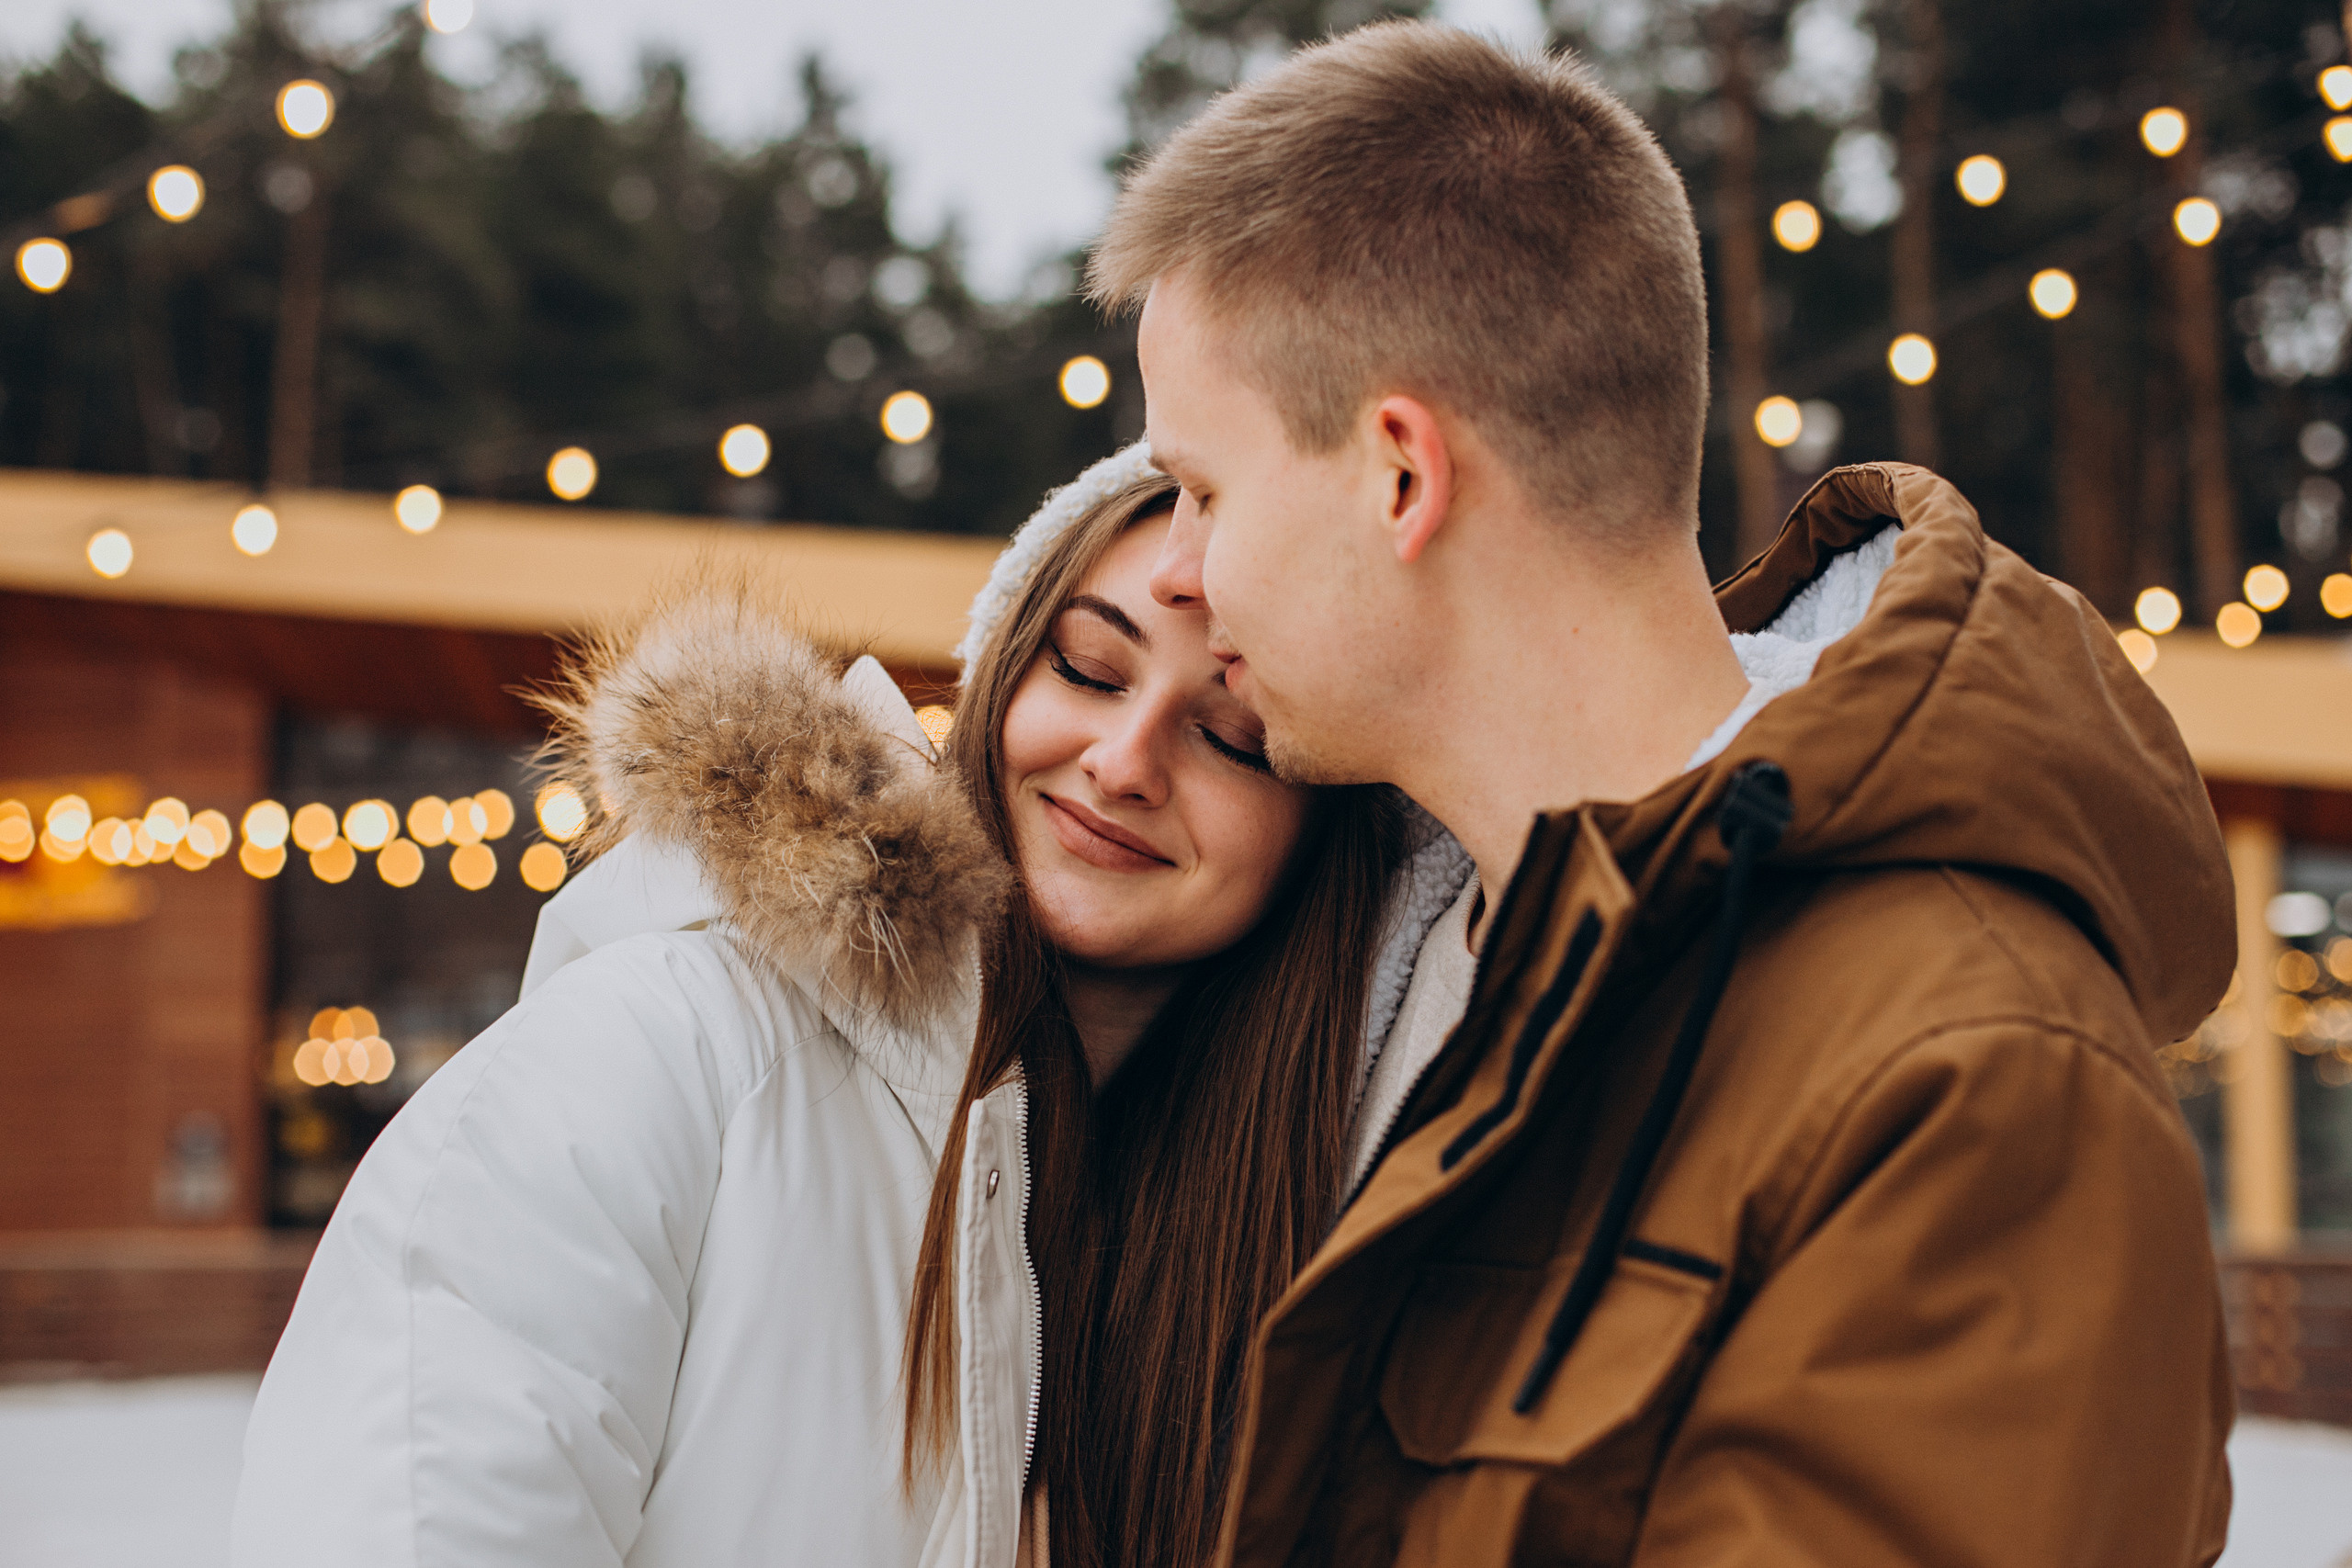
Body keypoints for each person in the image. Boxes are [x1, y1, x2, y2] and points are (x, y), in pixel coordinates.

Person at [1097, 21, 2240, 1567]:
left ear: (1399, 476)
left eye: (1205, 489)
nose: (1175, 565)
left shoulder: (1971, 1084)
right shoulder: (1367, 962)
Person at [230, 456, 1448, 1568]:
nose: (1126, 759)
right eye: (1088, 665)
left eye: (1231, 735)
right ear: (1003, 671)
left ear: (1327, 825)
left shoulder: (1329, 1229)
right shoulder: (666, 1047)